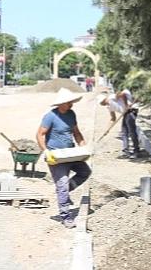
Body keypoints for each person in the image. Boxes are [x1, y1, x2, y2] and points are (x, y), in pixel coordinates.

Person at [36, 88, 91, 229]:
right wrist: (46, 151)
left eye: (71, 102)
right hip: (56, 156)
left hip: (70, 153)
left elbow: (76, 133)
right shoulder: (50, 116)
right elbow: (40, 134)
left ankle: (66, 192)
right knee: (62, 184)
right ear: (60, 104)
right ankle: (65, 216)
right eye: (68, 102)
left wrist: (82, 146)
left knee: (85, 172)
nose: (71, 104)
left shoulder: (71, 114)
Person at [98, 88, 140, 159]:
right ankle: (126, 151)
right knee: (124, 132)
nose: (102, 104)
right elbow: (113, 118)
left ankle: (136, 151)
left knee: (131, 132)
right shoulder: (109, 107)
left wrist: (126, 105)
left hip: (130, 112)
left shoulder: (111, 97)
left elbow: (122, 94)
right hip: (126, 113)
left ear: (103, 100)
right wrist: (107, 129)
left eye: (101, 103)